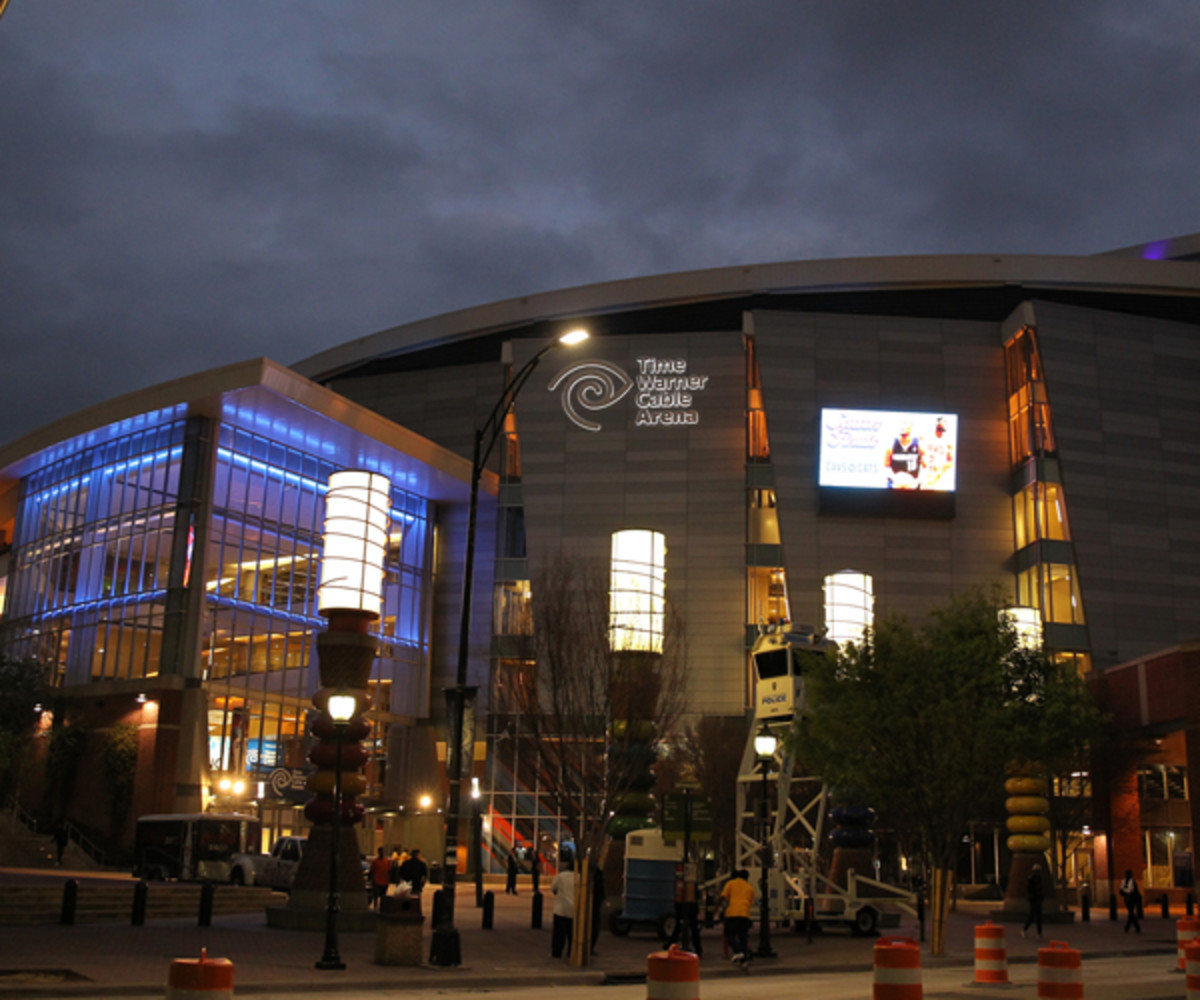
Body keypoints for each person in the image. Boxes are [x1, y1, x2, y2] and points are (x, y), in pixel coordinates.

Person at [717, 868, 755, 966]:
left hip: (732, 913)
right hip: (744, 914)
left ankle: (737, 951)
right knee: (743, 937)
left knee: (729, 934)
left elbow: (723, 897)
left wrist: (716, 907)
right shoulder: (750, 888)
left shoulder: (731, 884)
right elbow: (750, 903)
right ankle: (743, 959)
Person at [550, 857, 576, 959]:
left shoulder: (560, 876)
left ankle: (557, 952)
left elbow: (553, 888)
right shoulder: (579, 877)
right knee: (572, 934)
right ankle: (571, 952)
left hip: (561, 908)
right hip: (574, 909)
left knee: (558, 933)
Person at [1022, 863, 1044, 939]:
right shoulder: (1031, 879)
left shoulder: (1039, 879)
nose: (1037, 873)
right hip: (1034, 900)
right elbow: (1029, 890)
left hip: (1038, 899)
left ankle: (1039, 933)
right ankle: (1025, 929)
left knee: (1039, 917)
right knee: (1032, 916)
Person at [590, 860, 606, 952]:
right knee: (594, 925)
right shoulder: (598, 873)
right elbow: (601, 889)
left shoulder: (584, 873)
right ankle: (591, 947)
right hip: (596, 902)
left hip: (591, 901)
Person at [1120, 869, 1142, 933]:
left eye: (1127, 874)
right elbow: (1121, 890)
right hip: (1128, 899)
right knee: (1131, 913)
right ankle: (1135, 926)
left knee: (1131, 913)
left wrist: (1124, 891)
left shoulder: (1132, 883)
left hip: (1131, 900)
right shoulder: (1124, 881)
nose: (1126, 875)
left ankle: (1129, 927)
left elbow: (1131, 891)